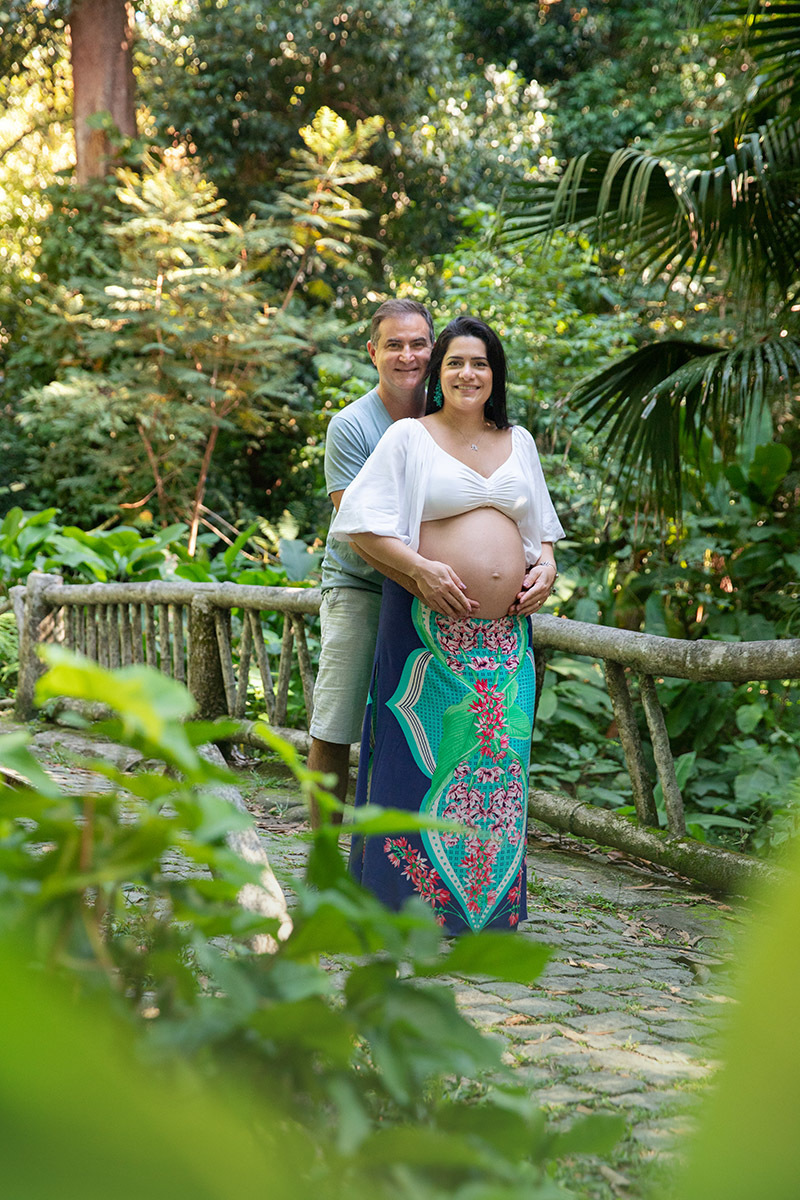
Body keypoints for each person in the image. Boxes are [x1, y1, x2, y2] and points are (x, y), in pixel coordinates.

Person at [330, 316, 564, 934]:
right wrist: (424, 572)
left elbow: (540, 534)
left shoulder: (522, 441)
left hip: (506, 642)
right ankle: (396, 914)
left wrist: (547, 571)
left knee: (496, 772)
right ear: (439, 372)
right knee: (414, 766)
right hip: (425, 635)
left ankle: (481, 920)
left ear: (496, 374)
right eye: (456, 362)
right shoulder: (408, 438)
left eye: (481, 363)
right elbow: (358, 525)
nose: (469, 373)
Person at [307, 298, 436, 824]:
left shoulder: (448, 413)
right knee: (336, 720)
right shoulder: (352, 425)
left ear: (434, 348)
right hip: (361, 585)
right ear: (372, 352)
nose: (408, 356)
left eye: (418, 344)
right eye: (394, 345)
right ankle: (321, 859)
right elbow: (358, 530)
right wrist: (423, 575)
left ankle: (403, 861)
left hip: (435, 585)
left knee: (424, 720)